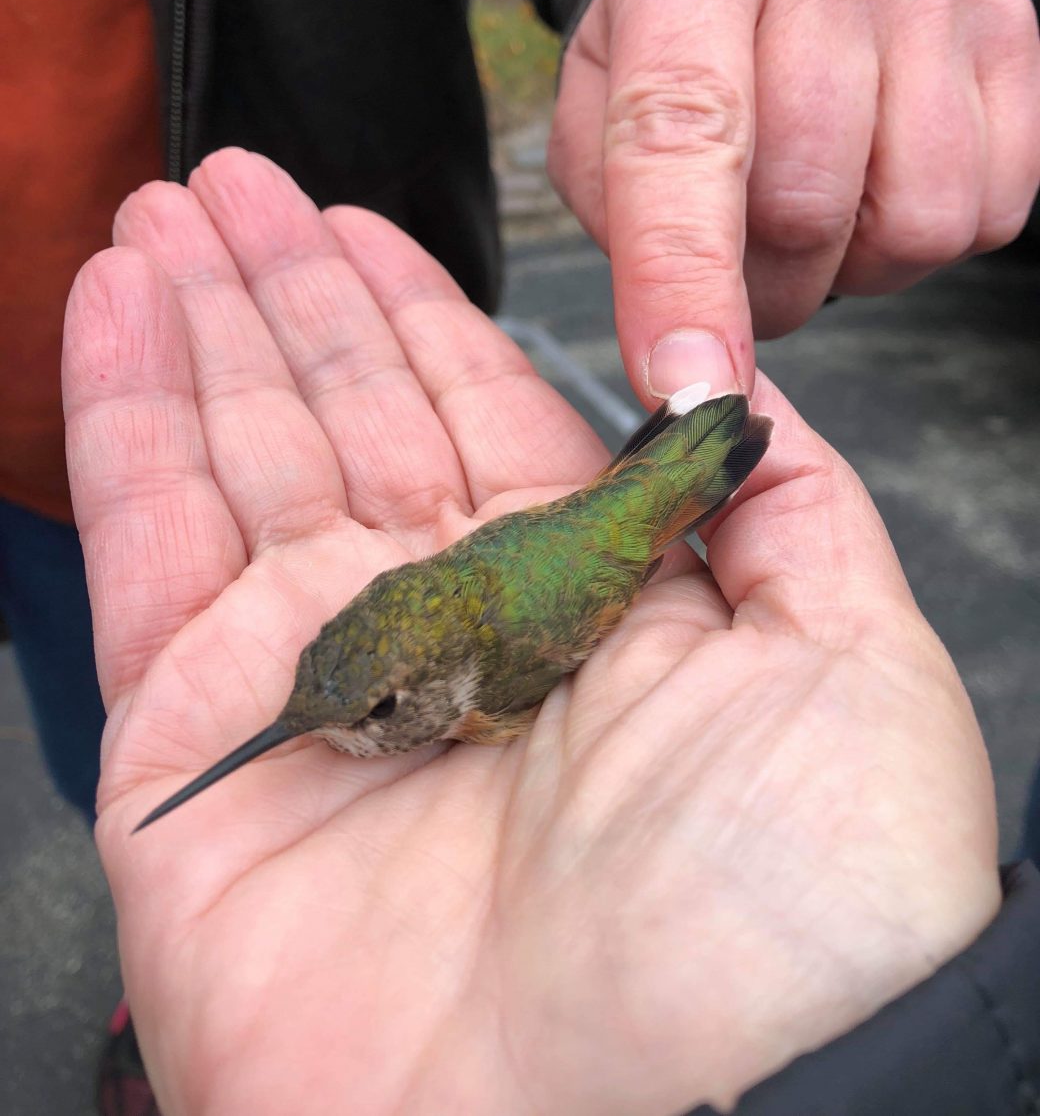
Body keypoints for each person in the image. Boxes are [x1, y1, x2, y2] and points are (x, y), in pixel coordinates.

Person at [62, 149, 1040, 1115]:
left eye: (377, 712)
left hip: (596, 546)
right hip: (567, 524)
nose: (338, 734)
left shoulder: (494, 687)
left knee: (651, 493)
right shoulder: (418, 611)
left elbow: (574, 608)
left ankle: (691, 449)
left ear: (434, 690)